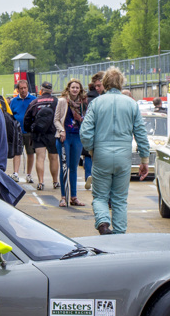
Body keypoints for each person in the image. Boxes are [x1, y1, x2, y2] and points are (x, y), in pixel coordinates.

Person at [79, 67, 149, 235]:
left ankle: (103, 222)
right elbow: (140, 133)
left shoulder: (96, 103)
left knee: (100, 196)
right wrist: (144, 159)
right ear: (121, 83)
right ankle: (119, 234)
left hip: (101, 153)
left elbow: (85, 132)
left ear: (104, 83)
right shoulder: (131, 103)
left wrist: (91, 149)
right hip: (123, 155)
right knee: (119, 199)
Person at [54, 79, 87, 208]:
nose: (75, 90)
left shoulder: (83, 103)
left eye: (77, 88)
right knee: (64, 167)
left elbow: (86, 119)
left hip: (77, 136)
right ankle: (63, 197)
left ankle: (74, 197)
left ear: (80, 89)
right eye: (73, 87)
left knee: (73, 167)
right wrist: (61, 130)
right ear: (68, 89)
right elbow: (56, 120)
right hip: (64, 137)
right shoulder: (62, 101)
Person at [23, 81, 59, 190]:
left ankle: (41, 182)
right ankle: (55, 181)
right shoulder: (56, 101)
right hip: (53, 133)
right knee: (53, 158)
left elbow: (27, 118)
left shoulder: (35, 102)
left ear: (41, 91)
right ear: (51, 91)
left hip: (38, 134)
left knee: (40, 157)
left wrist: (30, 129)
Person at [9, 79, 37, 183]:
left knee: (30, 153)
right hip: (17, 132)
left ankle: (29, 174)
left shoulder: (33, 99)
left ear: (27, 88)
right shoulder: (14, 101)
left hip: (29, 132)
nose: (23, 90)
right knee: (17, 153)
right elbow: (11, 115)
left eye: (25, 88)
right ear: (18, 89)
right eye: (21, 88)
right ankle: (15, 173)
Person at [81, 72, 105, 190]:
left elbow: (85, 120)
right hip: (104, 135)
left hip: (92, 132)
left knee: (88, 156)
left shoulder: (86, 100)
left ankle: (88, 176)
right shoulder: (99, 99)